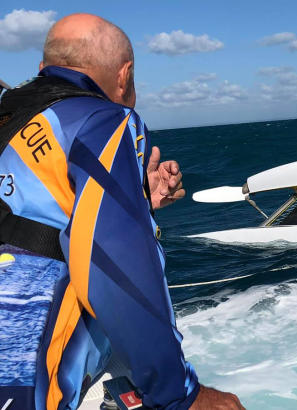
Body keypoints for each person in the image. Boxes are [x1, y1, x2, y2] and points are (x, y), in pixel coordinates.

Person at [0, 13, 243, 410]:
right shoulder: (103, 120)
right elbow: (114, 263)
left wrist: (136, 199)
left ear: (43, 69)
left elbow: (32, 212)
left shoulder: (15, 120)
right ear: (125, 75)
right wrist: (181, 395)